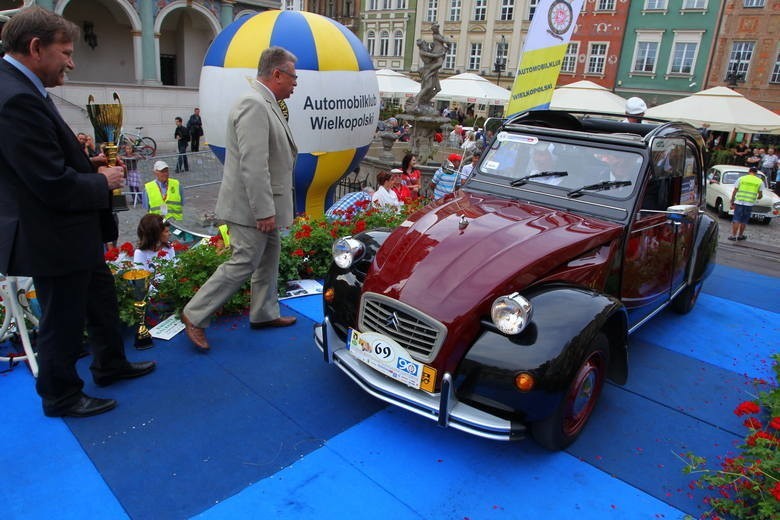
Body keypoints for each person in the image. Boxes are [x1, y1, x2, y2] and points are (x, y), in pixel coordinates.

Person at [0, 7, 155, 418]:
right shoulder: (14, 97)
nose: (71, 61)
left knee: (100, 301)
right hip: (52, 233)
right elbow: (48, 182)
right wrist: (101, 182)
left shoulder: (22, 87)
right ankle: (61, 395)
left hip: (70, 231)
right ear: (36, 48)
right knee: (63, 320)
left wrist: (91, 167)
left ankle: (109, 365)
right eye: (65, 52)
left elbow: (45, 163)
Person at [180, 46, 299, 352]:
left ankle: (263, 313)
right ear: (276, 74)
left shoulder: (264, 102)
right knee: (244, 262)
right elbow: (253, 163)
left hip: (262, 205)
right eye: (293, 76)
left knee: (269, 259)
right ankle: (195, 315)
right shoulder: (254, 104)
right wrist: (263, 211)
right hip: (251, 208)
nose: (295, 82)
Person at [729, 167, 764, 241]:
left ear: (749, 171)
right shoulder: (759, 181)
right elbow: (760, 195)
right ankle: (740, 235)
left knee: (736, 219)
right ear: (756, 173)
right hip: (749, 203)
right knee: (744, 220)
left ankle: (733, 236)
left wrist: (732, 201)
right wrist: (758, 197)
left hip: (739, 201)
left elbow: (735, 191)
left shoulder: (741, 178)